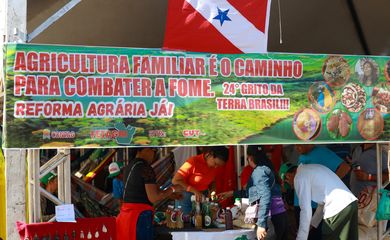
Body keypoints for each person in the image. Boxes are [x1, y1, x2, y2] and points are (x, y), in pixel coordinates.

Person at [218, 146, 288, 240]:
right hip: (279, 215)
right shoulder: (266, 168)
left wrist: (262, 224)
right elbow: (254, 192)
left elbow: (265, 196)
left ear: (250, 158)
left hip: (271, 218)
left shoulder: (260, 172)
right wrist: (231, 193)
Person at [116, 147, 183, 240]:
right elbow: (154, 197)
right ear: (140, 150)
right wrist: (173, 188)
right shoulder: (145, 167)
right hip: (139, 218)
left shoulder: (130, 166)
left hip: (125, 217)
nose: (154, 153)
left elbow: (145, 191)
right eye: (152, 149)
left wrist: (169, 194)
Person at [282, 163, 358, 240]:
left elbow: (305, 210)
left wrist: (301, 237)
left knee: (328, 236)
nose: (290, 185)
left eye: (286, 182)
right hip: (351, 203)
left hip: (337, 208)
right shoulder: (311, 169)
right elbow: (322, 204)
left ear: (288, 175)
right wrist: (311, 224)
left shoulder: (299, 177)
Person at [172, 146, 229, 214]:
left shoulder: (214, 166)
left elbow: (212, 180)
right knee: (185, 222)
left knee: (201, 221)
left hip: (202, 197)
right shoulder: (193, 161)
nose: (216, 167)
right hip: (185, 197)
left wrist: (213, 191)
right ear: (209, 155)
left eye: (218, 165)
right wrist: (194, 190)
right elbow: (175, 180)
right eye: (215, 163)